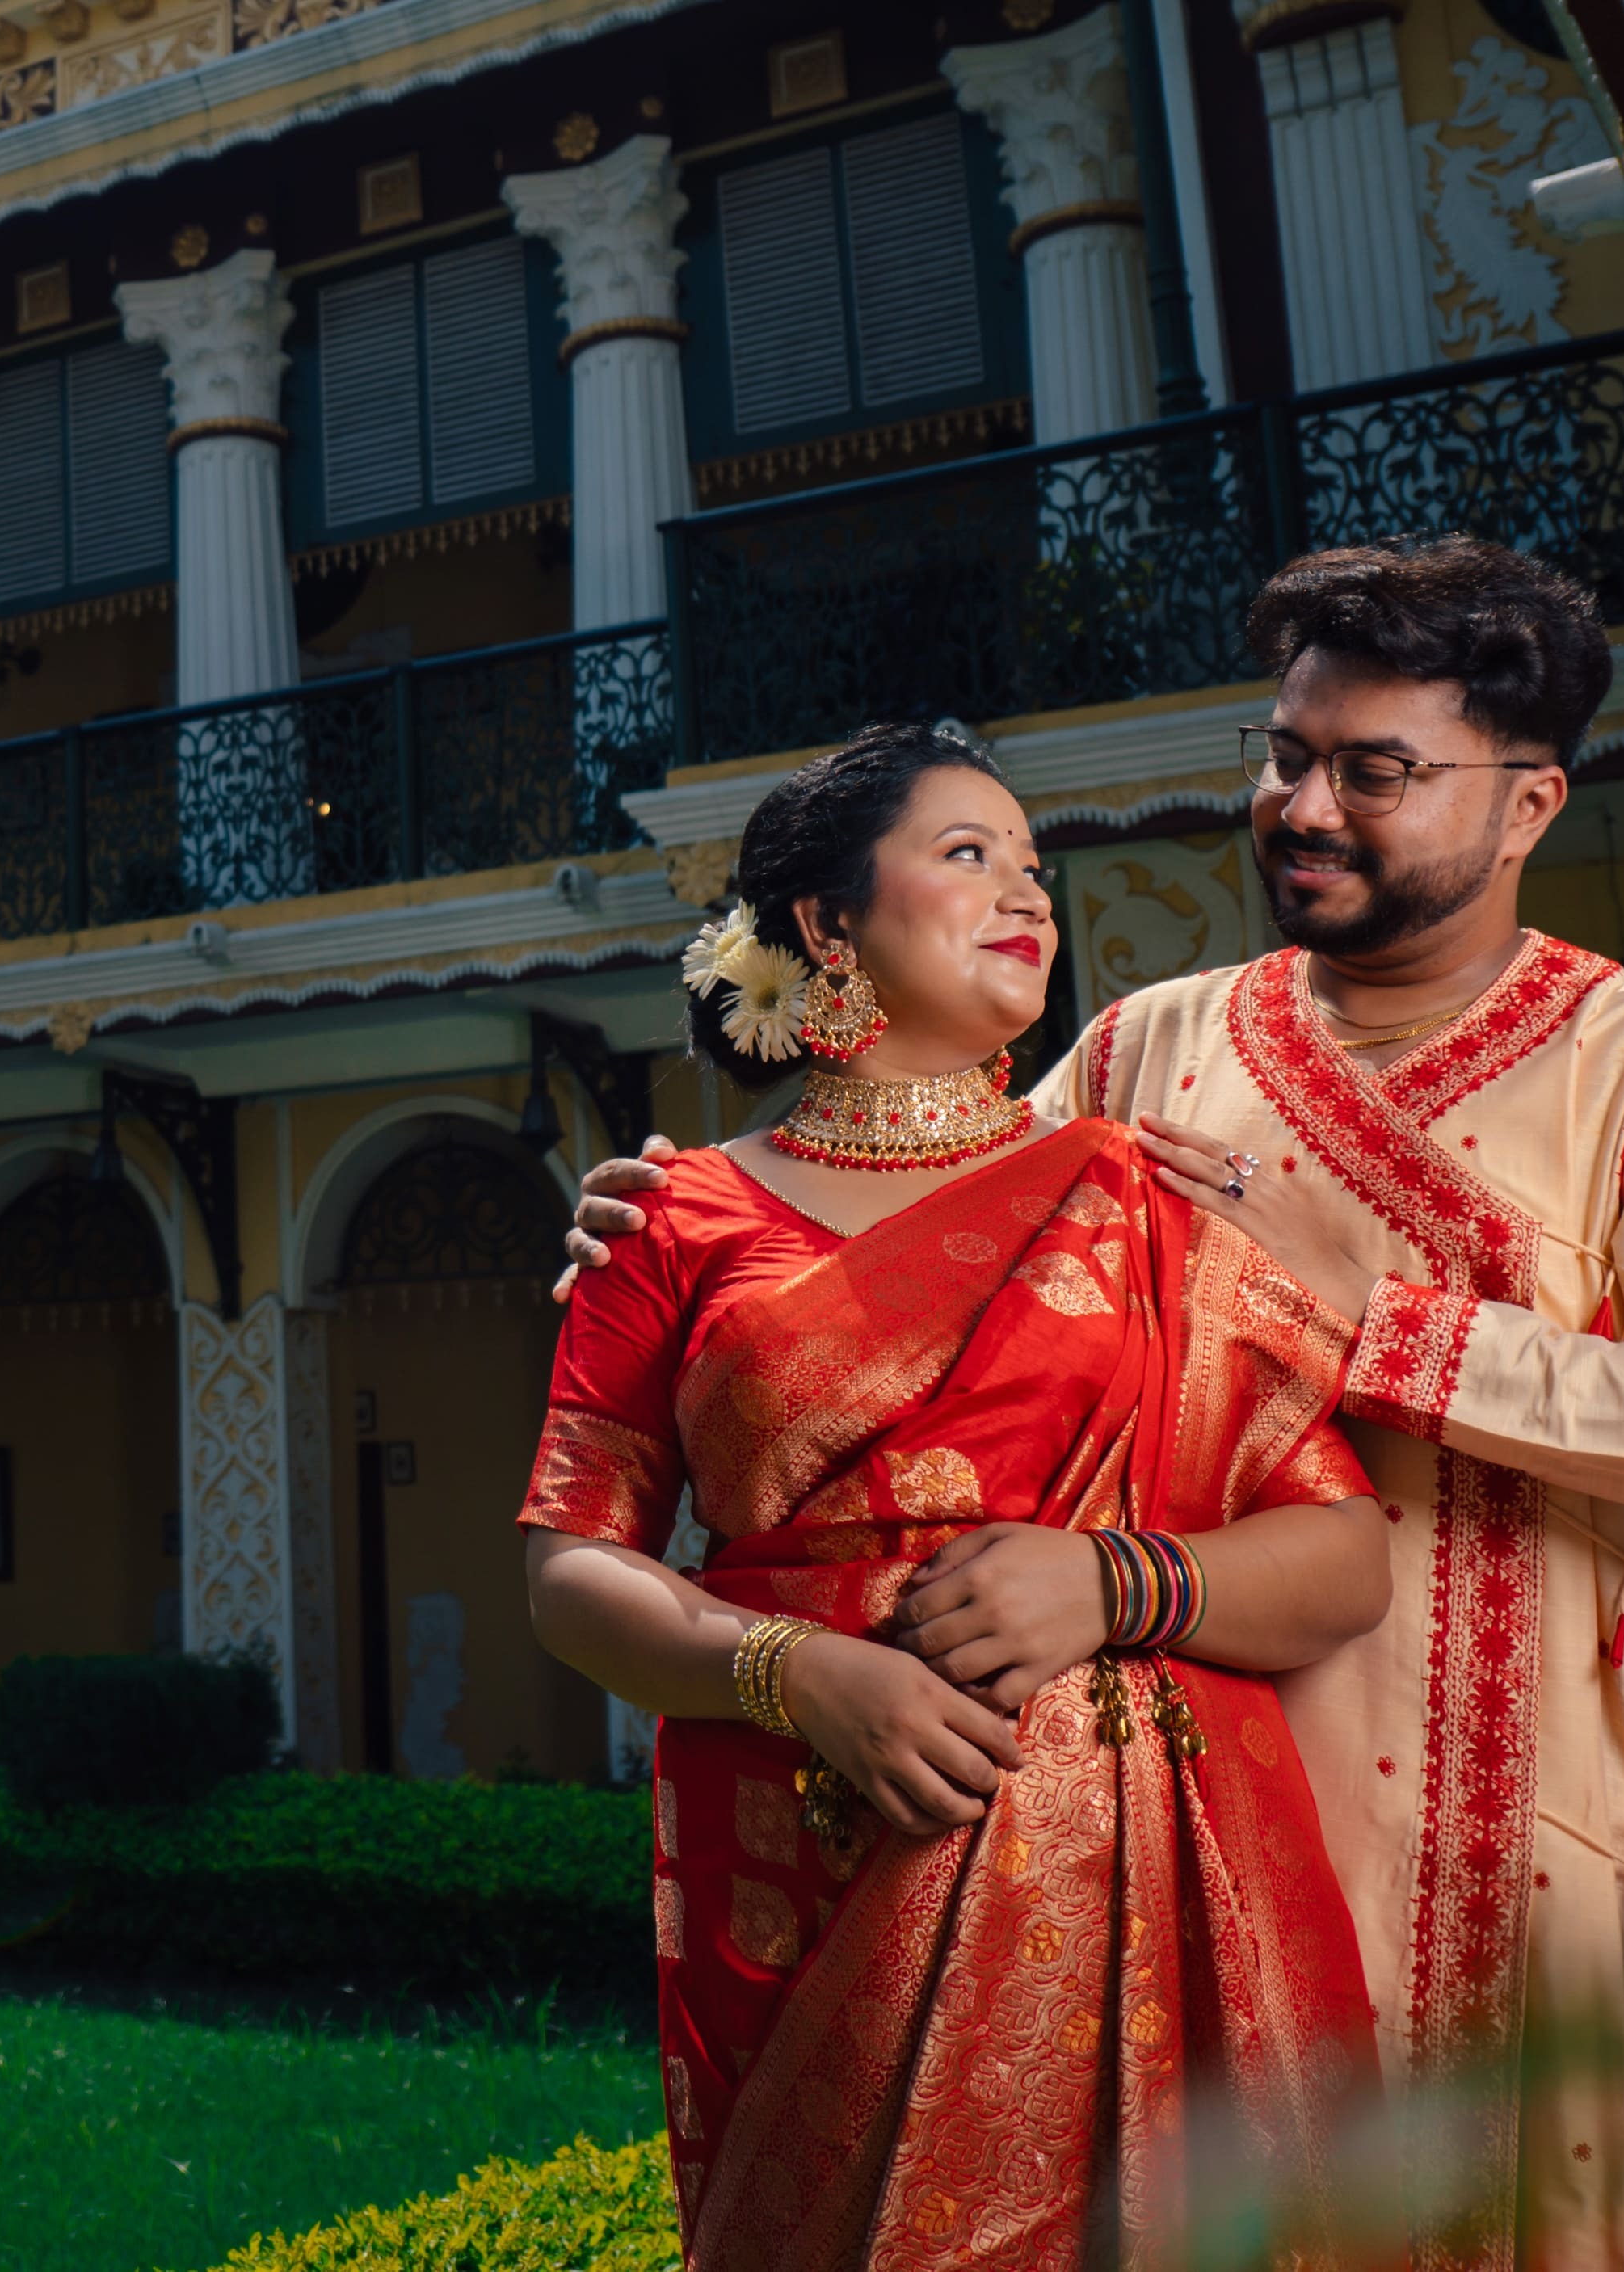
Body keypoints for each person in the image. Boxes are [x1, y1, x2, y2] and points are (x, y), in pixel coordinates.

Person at [559, 540, 1624, 2269]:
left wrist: (1358, 1323)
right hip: (1175, 1831)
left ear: (1528, 802)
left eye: (1372, 773)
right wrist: (670, 1228)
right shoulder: (1146, 1050)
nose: (1301, 808)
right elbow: (902, 1259)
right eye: (1284, 756)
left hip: (1539, 1822)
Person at [520, 713, 1392, 2266]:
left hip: (1137, 1856)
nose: (1028, 893)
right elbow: (571, 1570)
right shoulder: (670, 1221)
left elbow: (1340, 1556)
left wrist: (1112, 1581)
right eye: (968, 853)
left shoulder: (1136, 1196)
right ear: (824, 925)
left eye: (1034, 865)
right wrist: (798, 1675)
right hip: (809, 1837)